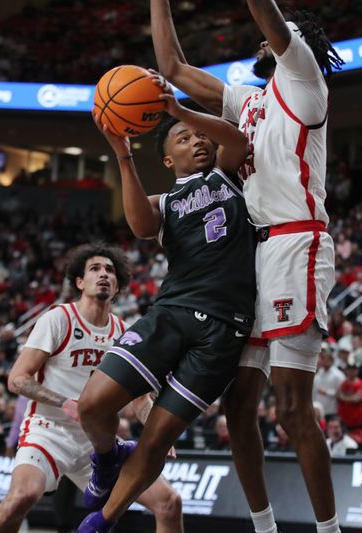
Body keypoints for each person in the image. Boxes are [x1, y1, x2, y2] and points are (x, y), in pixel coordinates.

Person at [150, 1, 344, 532]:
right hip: (252, 254)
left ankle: (328, 529)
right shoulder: (250, 101)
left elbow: (270, 18)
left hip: (294, 243)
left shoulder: (303, 77)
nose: (259, 43)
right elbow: (172, 69)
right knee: (238, 405)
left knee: (291, 409)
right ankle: (264, 527)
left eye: (271, 38)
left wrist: (276, 26)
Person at [75, 74, 255, 532]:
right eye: (183, 138)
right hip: (171, 313)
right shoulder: (167, 199)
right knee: (93, 405)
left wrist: (180, 112)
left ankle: (102, 521)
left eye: (201, 135)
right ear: (167, 157)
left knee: (156, 440)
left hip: (222, 329)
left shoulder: (228, 173)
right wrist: (121, 154)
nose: (197, 140)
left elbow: (233, 137)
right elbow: (137, 225)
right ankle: (107, 455)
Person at [0, 243, 182, 533]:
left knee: (170, 502)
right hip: (48, 430)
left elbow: (140, 400)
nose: (103, 274)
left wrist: (159, 431)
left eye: (110, 270)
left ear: (118, 286)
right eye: (95, 269)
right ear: (80, 281)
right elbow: (17, 378)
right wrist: (65, 402)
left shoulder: (124, 333)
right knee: (20, 498)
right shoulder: (58, 319)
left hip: (99, 441)